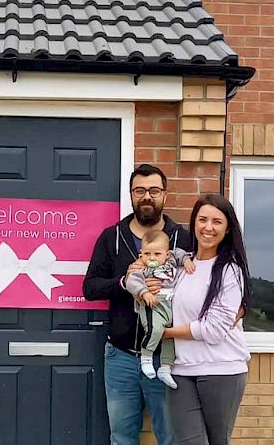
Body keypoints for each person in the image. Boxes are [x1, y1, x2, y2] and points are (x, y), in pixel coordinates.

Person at [83, 164, 191, 445]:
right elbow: (90, 287)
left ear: (164, 195)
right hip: (121, 356)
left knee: (170, 437)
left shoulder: (183, 239)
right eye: (140, 190)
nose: (147, 196)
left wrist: (169, 287)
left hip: (167, 357)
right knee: (121, 438)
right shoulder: (112, 238)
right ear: (131, 195)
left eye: (154, 190)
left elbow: (200, 291)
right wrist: (124, 282)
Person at [163, 193, 252, 445]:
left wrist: (166, 333)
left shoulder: (230, 271)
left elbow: (213, 330)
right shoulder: (180, 267)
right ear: (193, 223)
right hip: (179, 370)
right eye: (202, 219)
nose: (208, 227)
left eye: (217, 222)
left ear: (227, 229)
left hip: (222, 370)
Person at [124, 230, 193, 390]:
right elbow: (132, 283)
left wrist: (187, 260)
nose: (152, 258)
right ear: (141, 254)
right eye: (147, 253)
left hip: (171, 305)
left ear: (166, 254)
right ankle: (146, 357)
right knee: (155, 330)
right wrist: (144, 292)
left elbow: (180, 253)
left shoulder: (171, 262)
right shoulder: (142, 269)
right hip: (153, 305)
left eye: (157, 253)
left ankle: (165, 367)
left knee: (171, 336)